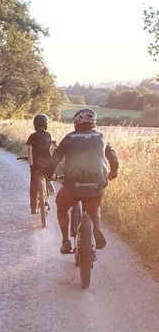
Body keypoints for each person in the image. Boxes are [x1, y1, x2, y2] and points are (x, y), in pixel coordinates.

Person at [49, 108, 118, 254]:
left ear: (76, 123)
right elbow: (112, 156)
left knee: (61, 207)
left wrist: (50, 174)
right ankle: (97, 229)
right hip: (96, 184)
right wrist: (113, 171)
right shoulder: (101, 137)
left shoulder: (69, 138)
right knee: (94, 204)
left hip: (73, 186)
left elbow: (55, 158)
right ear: (93, 123)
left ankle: (65, 241)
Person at [26, 113, 54, 214]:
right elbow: (48, 149)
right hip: (48, 164)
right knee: (48, 180)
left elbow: (29, 151)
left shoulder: (32, 136)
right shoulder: (48, 135)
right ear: (46, 124)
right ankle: (47, 198)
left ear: (35, 124)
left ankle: (33, 208)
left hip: (36, 164)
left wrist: (31, 164)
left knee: (33, 186)